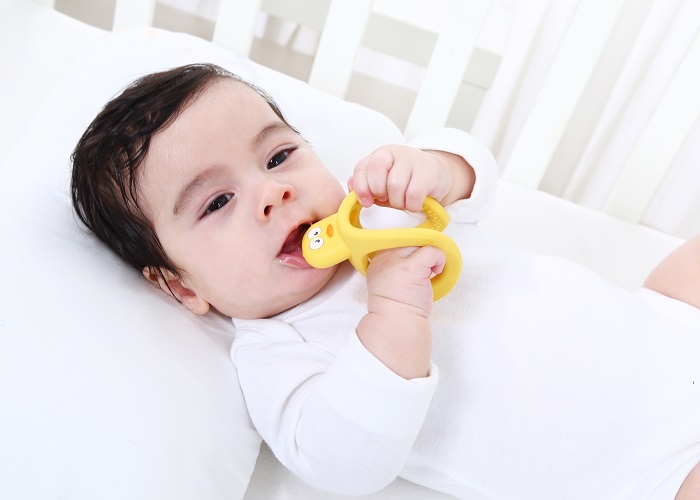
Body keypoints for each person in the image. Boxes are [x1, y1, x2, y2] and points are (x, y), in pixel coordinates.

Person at [70, 63, 700, 499]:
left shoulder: (376, 210)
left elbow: (474, 184)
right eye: (216, 202)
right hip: (653, 468)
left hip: (667, 320)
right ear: (182, 287)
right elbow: (344, 462)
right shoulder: (276, 353)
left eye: (279, 156)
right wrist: (395, 310)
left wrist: (436, 167)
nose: (272, 191)